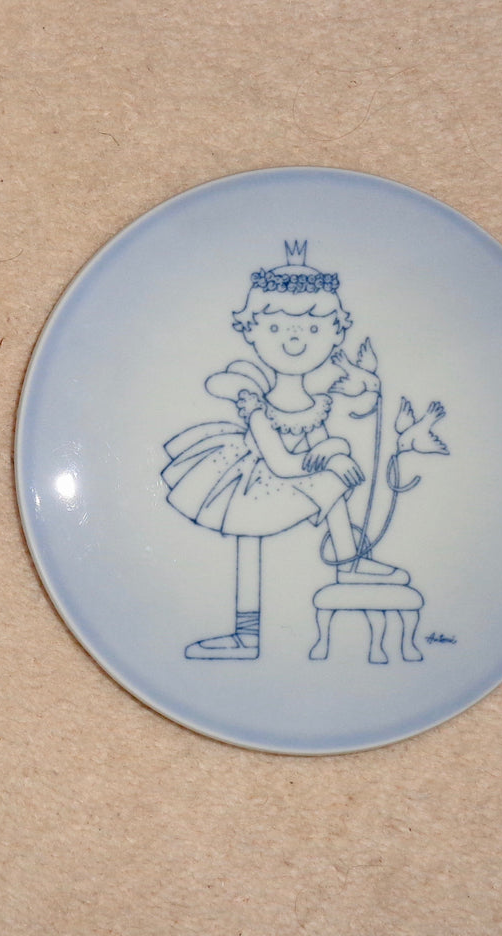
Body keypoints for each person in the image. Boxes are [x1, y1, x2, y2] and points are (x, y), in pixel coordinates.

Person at [161, 242, 403, 660]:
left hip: (284, 477)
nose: (294, 340)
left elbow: (316, 443)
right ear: (250, 331)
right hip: (248, 480)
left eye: (313, 330)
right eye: (275, 328)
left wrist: (333, 449)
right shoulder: (255, 399)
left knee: (331, 483)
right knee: (251, 542)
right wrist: (330, 454)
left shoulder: (312, 400)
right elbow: (281, 461)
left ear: (336, 335)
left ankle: (349, 562)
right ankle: (246, 635)